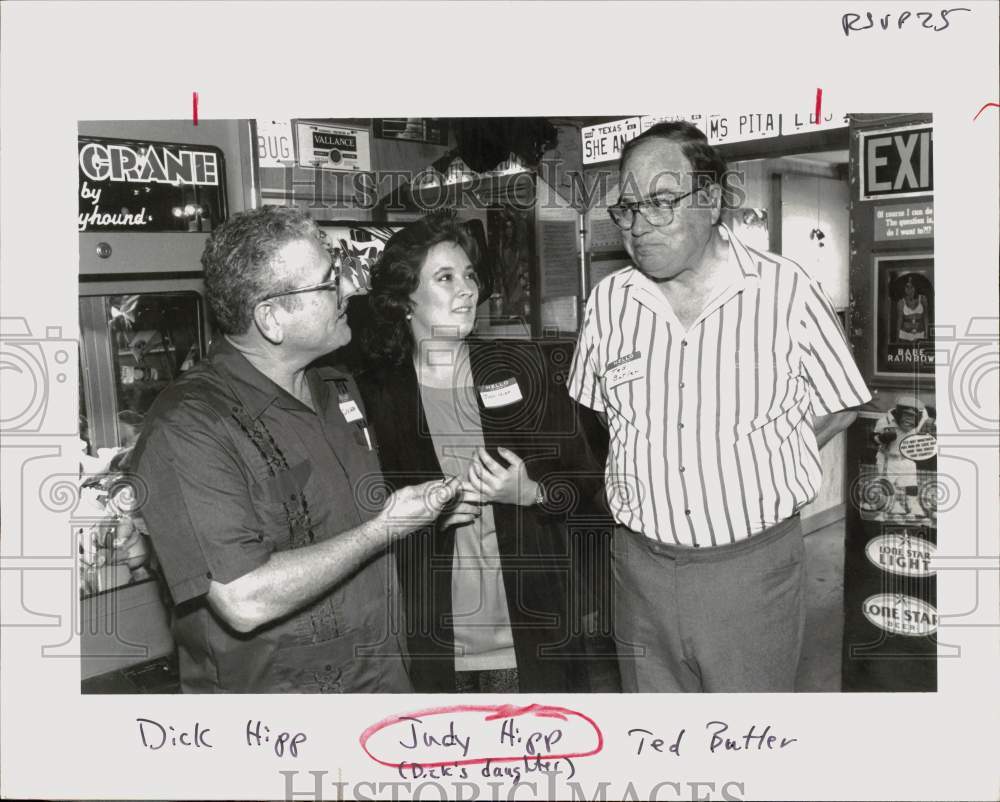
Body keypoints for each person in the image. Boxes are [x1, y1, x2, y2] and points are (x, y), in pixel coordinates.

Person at [567, 121, 872, 692]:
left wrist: (763, 456)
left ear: (709, 199)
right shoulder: (609, 302)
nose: (639, 226)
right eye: (627, 208)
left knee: (744, 746)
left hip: (751, 573)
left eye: (660, 203)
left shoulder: (785, 292)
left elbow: (842, 404)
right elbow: (603, 412)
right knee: (657, 749)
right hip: (638, 571)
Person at [132, 206, 459, 693]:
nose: (350, 291)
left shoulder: (337, 387)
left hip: (383, 681)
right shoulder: (188, 426)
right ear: (271, 318)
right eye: (330, 283)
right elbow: (243, 598)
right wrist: (386, 529)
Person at [356, 211, 612, 693]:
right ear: (404, 298)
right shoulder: (373, 398)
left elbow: (591, 484)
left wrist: (534, 492)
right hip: (431, 644)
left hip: (534, 637)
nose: (468, 289)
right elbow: (360, 518)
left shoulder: (524, 372)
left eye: (470, 276)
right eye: (445, 277)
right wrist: (423, 521)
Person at [896, 275, 929, 341]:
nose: (909, 289)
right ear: (904, 288)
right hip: (904, 335)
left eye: (912, 287)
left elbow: (925, 317)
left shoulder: (923, 299)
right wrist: (897, 337)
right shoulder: (901, 302)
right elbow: (899, 320)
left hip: (920, 333)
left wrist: (927, 333)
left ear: (915, 287)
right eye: (907, 287)